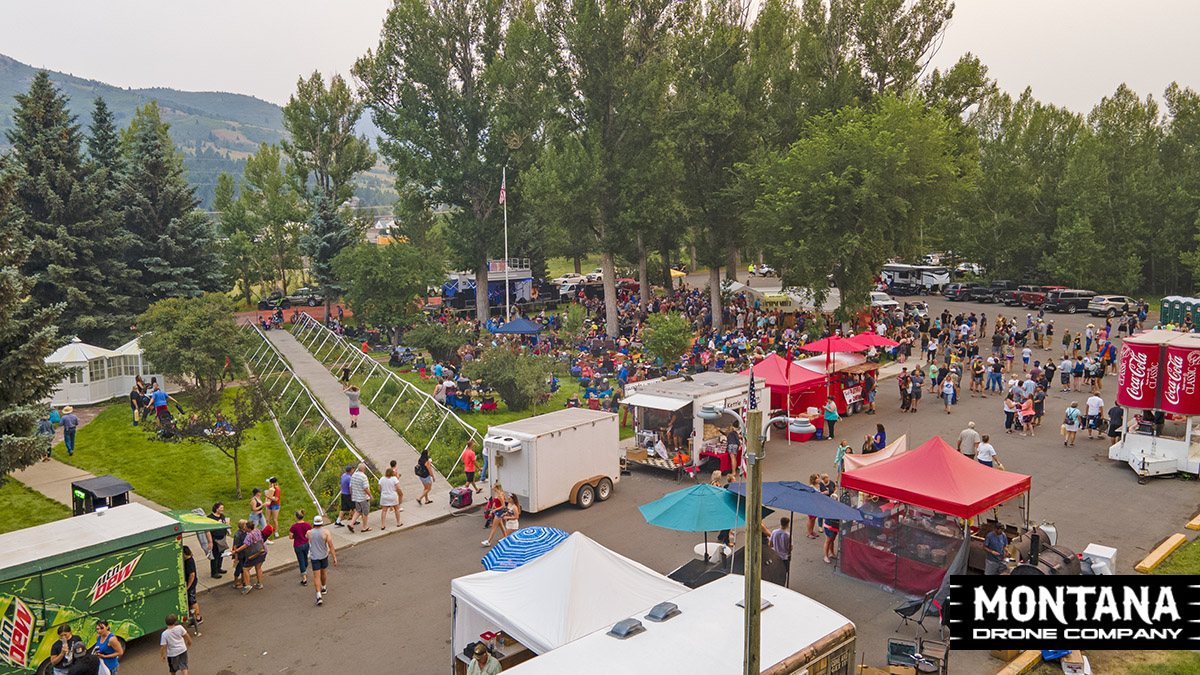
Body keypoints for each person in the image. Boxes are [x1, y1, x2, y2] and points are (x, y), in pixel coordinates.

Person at [308, 515, 338, 606]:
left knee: (316, 576)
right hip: (323, 555)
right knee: (323, 572)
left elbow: (307, 538)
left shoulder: (309, 532)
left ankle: (318, 595)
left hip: (314, 556)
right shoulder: (326, 532)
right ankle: (323, 587)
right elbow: (330, 545)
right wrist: (334, 557)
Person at [236, 520, 266, 594]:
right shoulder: (258, 530)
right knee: (258, 567)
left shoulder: (249, 535)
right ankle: (259, 583)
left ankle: (247, 585)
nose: (244, 528)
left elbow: (245, 545)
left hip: (254, 554)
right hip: (262, 551)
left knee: (245, 568)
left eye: (245, 527)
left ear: (249, 528)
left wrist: (236, 551)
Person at [289, 510, 313, 586]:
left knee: (301, 561)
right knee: (305, 557)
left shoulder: (294, 527)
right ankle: (304, 569)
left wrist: (295, 536)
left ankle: (304, 578)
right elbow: (311, 533)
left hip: (298, 545)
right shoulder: (307, 525)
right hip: (306, 544)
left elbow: (290, 536)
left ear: (296, 517)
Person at [205, 503, 229, 578]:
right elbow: (207, 530)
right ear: (216, 508)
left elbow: (224, 523)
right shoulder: (210, 518)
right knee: (215, 556)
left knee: (221, 555)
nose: (222, 509)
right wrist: (210, 542)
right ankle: (214, 572)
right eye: (221, 508)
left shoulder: (222, 516)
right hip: (215, 539)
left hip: (222, 538)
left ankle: (219, 568)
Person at [347, 462, 373, 533]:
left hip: (356, 497)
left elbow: (350, 487)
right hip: (363, 498)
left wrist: (352, 495)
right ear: (364, 469)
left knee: (358, 511)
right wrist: (370, 495)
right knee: (365, 512)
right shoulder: (364, 477)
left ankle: (351, 524)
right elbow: (365, 488)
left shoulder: (353, 475)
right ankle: (364, 527)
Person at [181, 547, 201, 632]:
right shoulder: (187, 561)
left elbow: (192, 575)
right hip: (190, 583)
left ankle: (197, 617)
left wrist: (188, 587)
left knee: (192, 600)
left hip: (191, 584)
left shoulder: (189, 562)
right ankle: (193, 616)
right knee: (190, 600)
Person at [770, 517, 793, 582]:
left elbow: (771, 544)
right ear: (787, 524)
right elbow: (790, 548)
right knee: (784, 572)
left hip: (775, 555)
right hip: (784, 557)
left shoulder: (774, 532)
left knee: (776, 570)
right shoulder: (788, 535)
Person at [805, 474, 820, 539]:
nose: (818, 479)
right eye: (817, 478)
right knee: (810, 518)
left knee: (814, 518)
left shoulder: (819, 485)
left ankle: (812, 531)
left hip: (817, 504)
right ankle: (809, 532)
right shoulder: (811, 487)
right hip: (811, 504)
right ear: (814, 480)